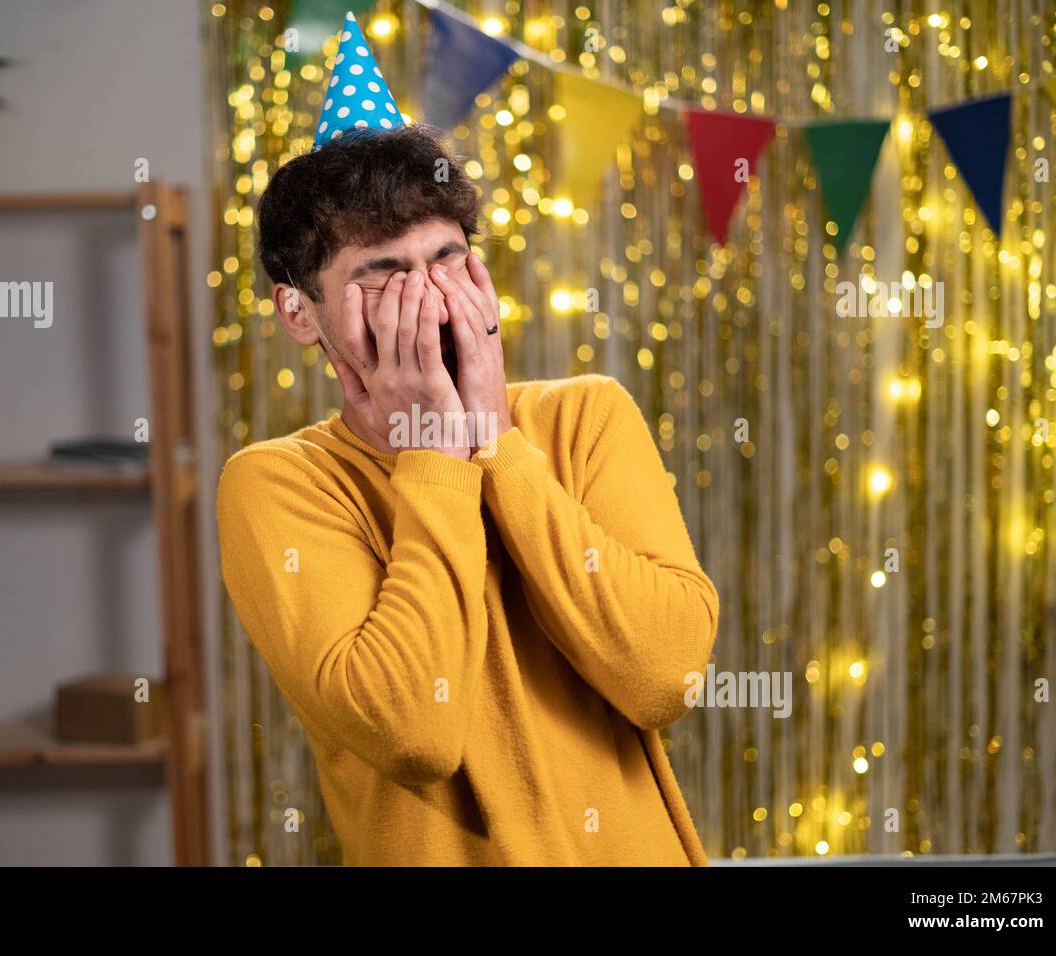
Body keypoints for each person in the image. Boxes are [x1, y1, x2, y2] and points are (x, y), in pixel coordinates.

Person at [216, 11, 718, 866]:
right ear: (299, 313)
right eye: (382, 276)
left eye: (446, 261)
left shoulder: (585, 417)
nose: (431, 300)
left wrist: (495, 440)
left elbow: (667, 677)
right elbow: (412, 730)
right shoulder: (277, 484)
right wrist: (436, 453)